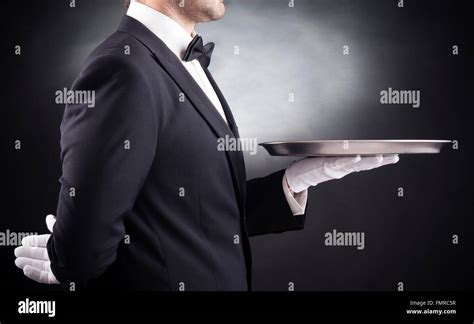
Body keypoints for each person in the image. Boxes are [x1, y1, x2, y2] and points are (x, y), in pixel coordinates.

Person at [14, 0, 399, 290]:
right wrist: (70, 261)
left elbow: (187, 209)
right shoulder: (122, 69)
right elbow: (83, 252)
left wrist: (291, 184)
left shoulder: (178, 56)